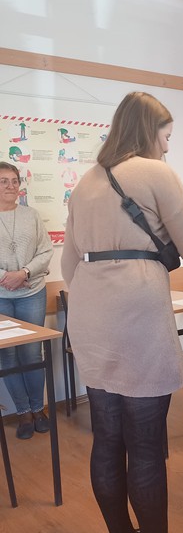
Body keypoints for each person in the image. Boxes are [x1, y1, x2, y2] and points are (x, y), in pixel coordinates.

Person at [61, 91, 183, 533]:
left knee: (107, 437)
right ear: (149, 131)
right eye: (166, 136)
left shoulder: (86, 181)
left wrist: (99, 289)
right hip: (137, 313)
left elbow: (68, 265)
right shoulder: (156, 172)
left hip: (89, 312)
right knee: (147, 446)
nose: (168, 145)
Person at [0, 161, 53, 439]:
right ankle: (23, 413)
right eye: (3, 181)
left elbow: (45, 251)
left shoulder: (31, 215)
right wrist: (5, 277)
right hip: (1, 297)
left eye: (14, 180)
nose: (10, 186)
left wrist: (24, 273)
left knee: (33, 354)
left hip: (32, 293)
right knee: (7, 356)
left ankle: (38, 409)